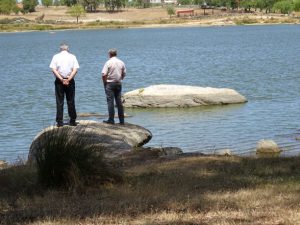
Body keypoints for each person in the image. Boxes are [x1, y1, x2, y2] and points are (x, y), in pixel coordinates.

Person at [49, 43, 80, 127]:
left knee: (59, 102)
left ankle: (59, 122)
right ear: (68, 49)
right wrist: (68, 79)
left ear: (60, 49)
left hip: (59, 81)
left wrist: (61, 79)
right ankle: (72, 121)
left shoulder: (56, 56)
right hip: (70, 81)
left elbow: (53, 69)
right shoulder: (72, 56)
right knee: (71, 101)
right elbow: (75, 70)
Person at [101, 49, 126, 125]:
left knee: (110, 102)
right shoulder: (121, 62)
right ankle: (121, 121)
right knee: (119, 102)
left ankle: (111, 119)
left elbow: (103, 74)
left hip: (110, 83)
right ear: (116, 54)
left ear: (109, 54)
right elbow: (124, 73)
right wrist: (120, 79)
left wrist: (105, 82)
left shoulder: (108, 62)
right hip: (118, 83)